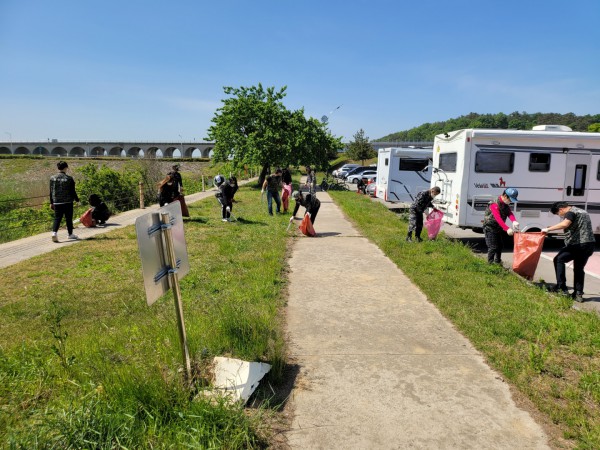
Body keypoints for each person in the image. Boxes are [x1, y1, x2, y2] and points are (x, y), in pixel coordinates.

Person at [542, 202, 595, 302]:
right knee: (579, 268)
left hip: (578, 244)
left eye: (558, 214)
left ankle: (561, 288)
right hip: (589, 244)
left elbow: (565, 223)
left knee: (559, 259)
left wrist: (548, 229)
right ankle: (578, 294)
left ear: (561, 209)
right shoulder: (582, 211)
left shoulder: (570, 213)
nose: (560, 216)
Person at [482, 188, 520, 264]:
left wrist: (514, 221)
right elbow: (498, 218)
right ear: (505, 196)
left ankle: (498, 262)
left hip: (498, 228)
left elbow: (509, 213)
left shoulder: (505, 204)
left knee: (500, 246)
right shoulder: (494, 204)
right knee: (493, 247)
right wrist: (507, 228)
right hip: (490, 228)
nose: (510, 201)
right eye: (510, 199)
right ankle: (489, 265)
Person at [49, 161, 80, 242]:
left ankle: (54, 233)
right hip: (68, 202)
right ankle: (70, 234)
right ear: (66, 167)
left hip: (57, 202)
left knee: (57, 218)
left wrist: (51, 202)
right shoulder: (69, 178)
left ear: (58, 168)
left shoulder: (52, 178)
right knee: (68, 218)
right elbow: (72, 191)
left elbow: (51, 191)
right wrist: (77, 200)